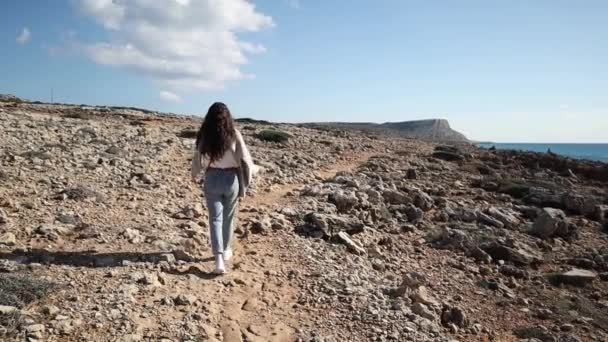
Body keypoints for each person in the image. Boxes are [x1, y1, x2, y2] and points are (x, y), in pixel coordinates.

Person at [191, 102, 253, 274]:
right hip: (231, 178)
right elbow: (245, 160)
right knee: (228, 218)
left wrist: (194, 174)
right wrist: (245, 183)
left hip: (211, 178)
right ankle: (226, 250)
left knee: (215, 219)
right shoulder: (234, 134)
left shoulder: (204, 135)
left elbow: (198, 159)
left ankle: (218, 260)